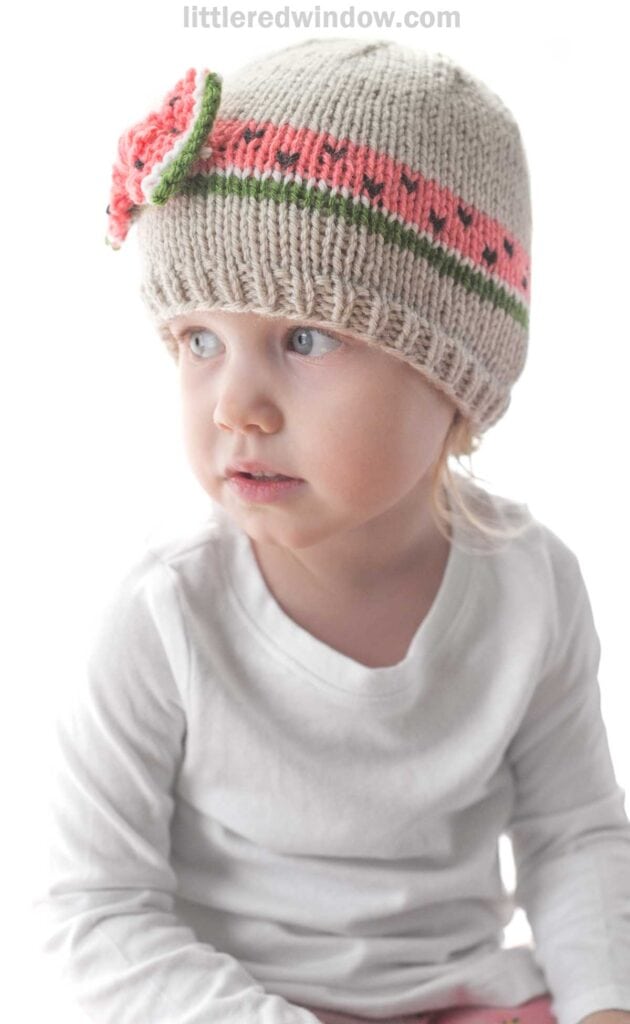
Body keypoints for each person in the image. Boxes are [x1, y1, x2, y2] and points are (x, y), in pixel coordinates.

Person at [32, 37, 630, 1024]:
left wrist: (602, 1003)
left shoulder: (529, 586)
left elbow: (574, 833)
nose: (237, 406)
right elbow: (91, 909)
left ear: (451, 376)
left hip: (462, 999)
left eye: (304, 339)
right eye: (198, 341)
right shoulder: (165, 611)